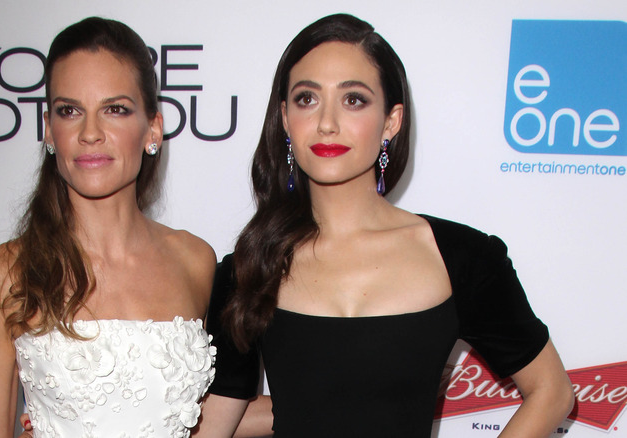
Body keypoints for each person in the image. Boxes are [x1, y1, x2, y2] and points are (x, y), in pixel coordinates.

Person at [197, 13, 574, 437]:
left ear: (391, 121)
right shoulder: (248, 266)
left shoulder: (461, 258)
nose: (326, 122)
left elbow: (552, 391)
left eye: (354, 99)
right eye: (306, 99)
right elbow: (216, 427)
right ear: (285, 118)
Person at [0, 17, 216, 438]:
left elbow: (206, 417)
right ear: (49, 129)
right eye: (70, 111)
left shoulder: (195, 261)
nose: (90, 133)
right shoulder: (6, 275)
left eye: (115, 110)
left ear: (152, 128)